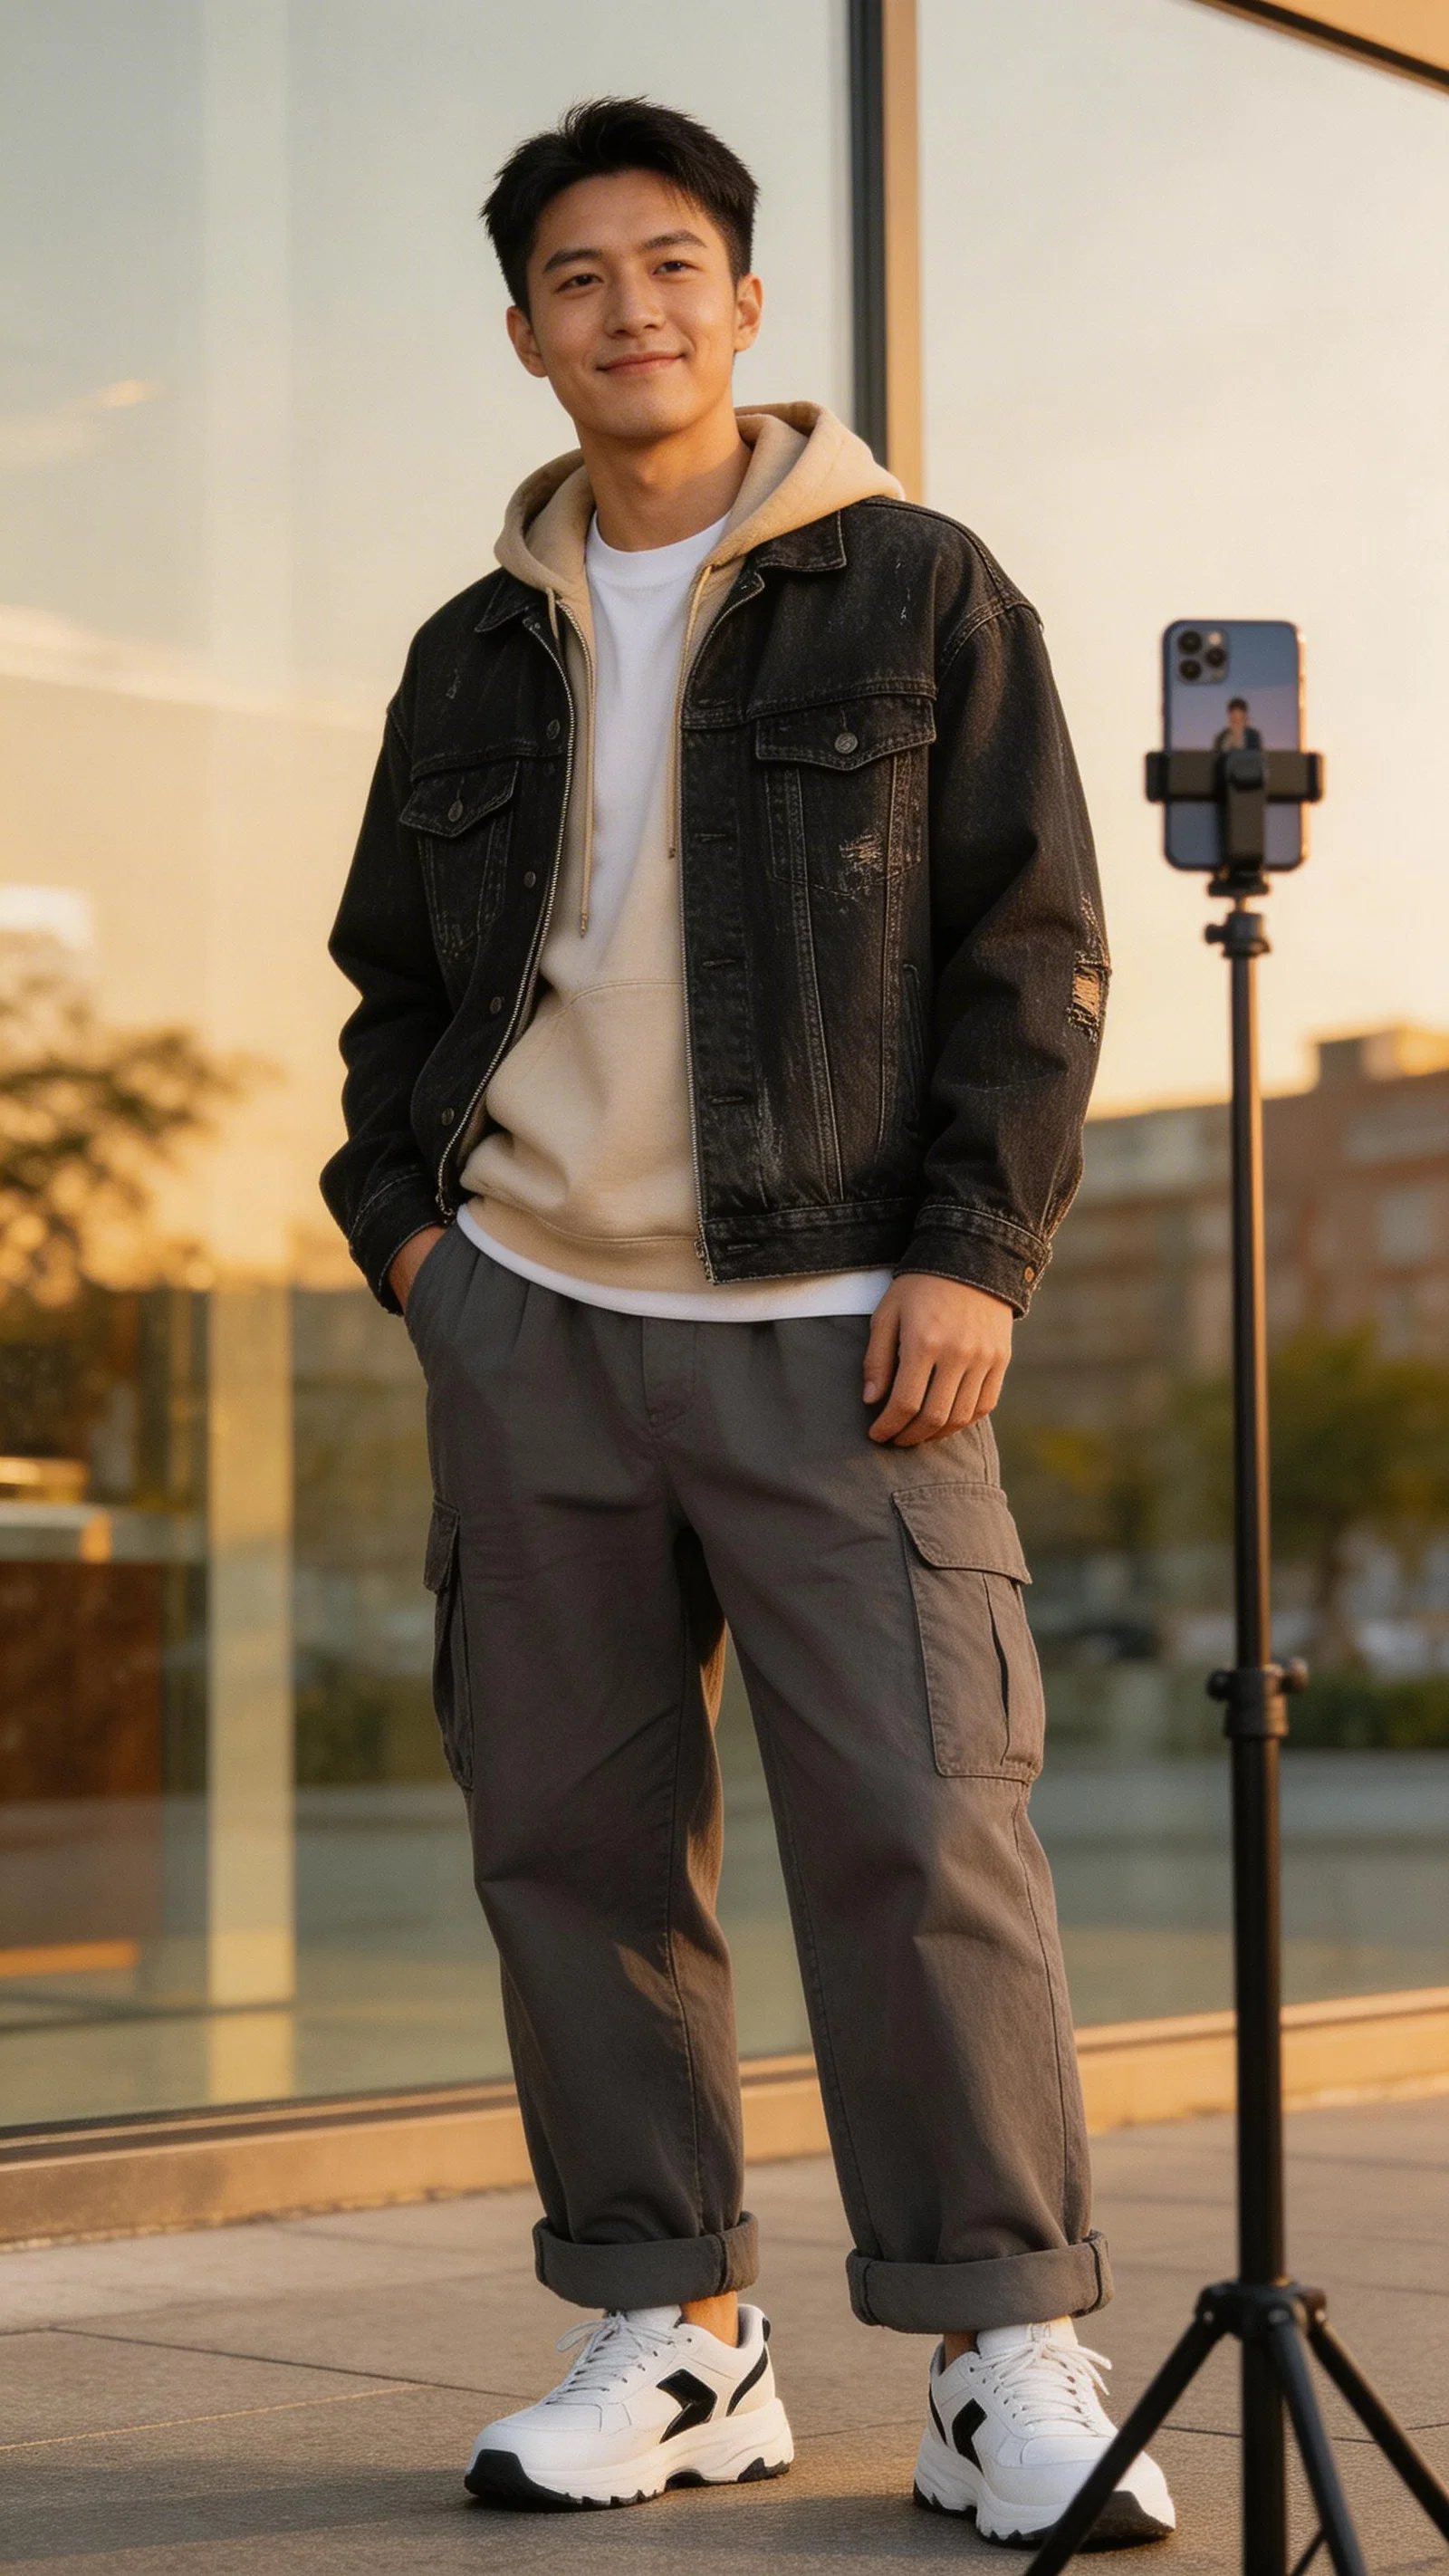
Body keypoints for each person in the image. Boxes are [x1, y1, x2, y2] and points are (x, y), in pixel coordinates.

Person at [321, 96, 1174, 2550]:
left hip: (844, 1325)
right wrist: (420, 1252)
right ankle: (677, 2334)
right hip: (536, 1332)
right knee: (576, 1846)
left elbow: (1033, 949)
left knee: (922, 1833)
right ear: (525, 334)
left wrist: (971, 1252)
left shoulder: (915, 588)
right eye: (578, 276)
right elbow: (393, 999)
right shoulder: (469, 656)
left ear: (746, 301)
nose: (631, 307)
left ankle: (1003, 2345)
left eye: (672, 262)